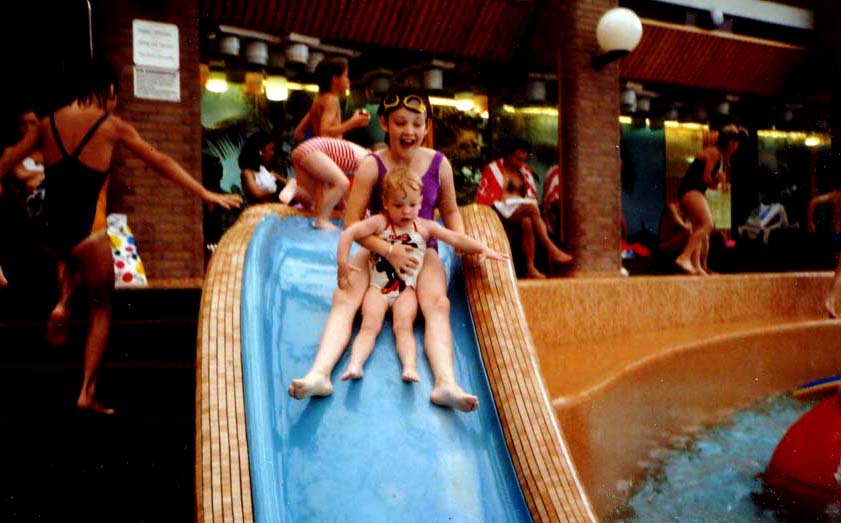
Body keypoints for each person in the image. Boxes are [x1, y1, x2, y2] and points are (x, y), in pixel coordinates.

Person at [0, 60, 242, 414]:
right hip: (89, 230)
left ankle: (64, 301)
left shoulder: (48, 123)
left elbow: (8, 157)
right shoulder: (111, 126)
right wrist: (205, 193)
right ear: (109, 91)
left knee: (68, 255)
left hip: (49, 228)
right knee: (101, 307)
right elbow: (160, 161)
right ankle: (88, 390)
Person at [288, 88, 480, 412]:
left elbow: (451, 211)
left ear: (427, 126)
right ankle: (319, 374)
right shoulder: (372, 165)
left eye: (417, 124)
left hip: (423, 250)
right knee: (345, 297)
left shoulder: (439, 164)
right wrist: (388, 250)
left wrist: (462, 244)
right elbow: (351, 224)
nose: (409, 131)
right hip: (377, 246)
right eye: (400, 123)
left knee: (438, 303)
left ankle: (446, 383)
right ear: (384, 124)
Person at [336, 166, 507, 382]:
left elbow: (455, 238)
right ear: (386, 203)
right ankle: (355, 365)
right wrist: (342, 263)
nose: (406, 211)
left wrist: (483, 248)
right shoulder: (380, 222)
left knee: (404, 327)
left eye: (412, 204)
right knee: (369, 325)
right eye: (398, 205)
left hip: (407, 290)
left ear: (421, 202)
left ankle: (409, 367)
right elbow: (349, 233)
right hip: (377, 289)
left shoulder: (425, 227)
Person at [475, 140, 572, 279]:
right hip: (498, 210)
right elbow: (485, 197)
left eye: (522, 159)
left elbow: (530, 195)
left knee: (527, 221)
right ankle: (551, 249)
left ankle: (530, 268)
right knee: (532, 208)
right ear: (509, 155)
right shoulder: (494, 169)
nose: (519, 162)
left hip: (518, 210)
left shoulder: (524, 171)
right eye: (517, 158)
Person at [674, 124, 745, 275]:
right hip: (692, 190)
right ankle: (684, 256)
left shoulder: (718, 156)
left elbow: (711, 186)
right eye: (735, 143)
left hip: (692, 191)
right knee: (707, 224)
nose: (736, 147)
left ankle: (697, 266)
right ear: (730, 143)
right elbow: (706, 179)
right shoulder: (714, 153)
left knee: (700, 229)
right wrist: (717, 179)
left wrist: (718, 181)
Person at [281, 136, 370, 230]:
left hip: (304, 150)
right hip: (314, 150)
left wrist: (345, 208)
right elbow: (357, 193)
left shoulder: (359, 160)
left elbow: (339, 190)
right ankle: (322, 220)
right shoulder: (370, 162)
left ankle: (295, 188)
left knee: (310, 200)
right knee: (342, 183)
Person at [292, 57, 370, 142]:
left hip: (320, 151)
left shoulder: (317, 101)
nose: (348, 80)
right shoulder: (332, 100)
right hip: (330, 152)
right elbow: (324, 132)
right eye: (345, 76)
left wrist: (315, 146)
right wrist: (353, 122)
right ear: (335, 79)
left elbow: (298, 134)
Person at [806, 189, 841, 318]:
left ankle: (831, 301)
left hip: (836, 235)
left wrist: (810, 221)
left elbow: (813, 201)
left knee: (839, 269)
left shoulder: (836, 195)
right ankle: (830, 301)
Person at [238, 131, 285, 204]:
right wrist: (277, 193)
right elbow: (257, 193)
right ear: (260, 151)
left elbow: (286, 181)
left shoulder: (264, 170)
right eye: (271, 149)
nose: (273, 153)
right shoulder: (247, 172)